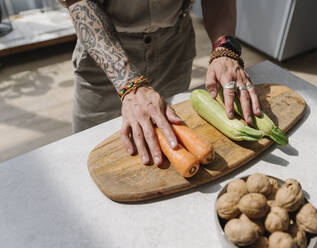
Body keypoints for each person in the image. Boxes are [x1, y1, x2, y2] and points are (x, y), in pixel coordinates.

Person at [58, 0, 262, 166]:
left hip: (174, 46)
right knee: (90, 150)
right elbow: (79, 2)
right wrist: (130, 84)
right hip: (105, 52)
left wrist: (223, 47)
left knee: (172, 130)